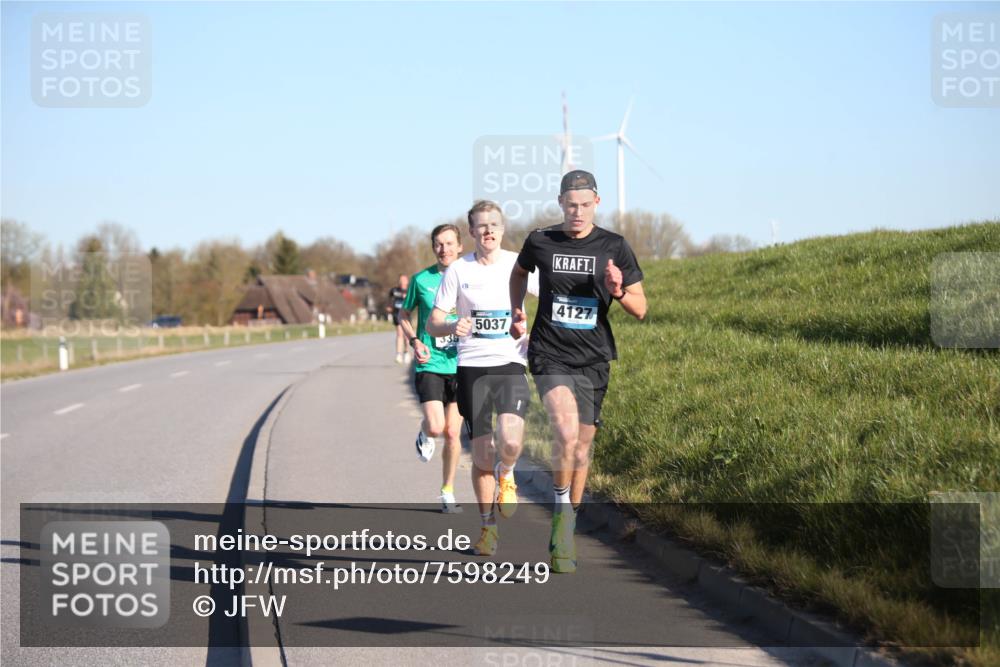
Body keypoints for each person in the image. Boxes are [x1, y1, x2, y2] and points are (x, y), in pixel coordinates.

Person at [509, 170, 647, 573]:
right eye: (571, 205)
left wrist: (618, 289)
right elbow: (518, 273)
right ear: (560, 203)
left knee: (582, 448)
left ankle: (567, 519)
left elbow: (641, 310)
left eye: (585, 205)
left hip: (593, 358)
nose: (578, 212)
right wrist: (517, 310)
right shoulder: (540, 240)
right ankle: (560, 512)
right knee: (566, 434)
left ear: (597, 203)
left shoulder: (614, 247)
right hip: (550, 352)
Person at [428, 200, 537, 556]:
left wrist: (537, 330)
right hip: (471, 368)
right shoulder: (458, 270)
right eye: (481, 225)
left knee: (510, 440)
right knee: (480, 457)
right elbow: (433, 321)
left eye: (494, 224)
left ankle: (508, 473)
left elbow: (550, 297)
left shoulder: (518, 264)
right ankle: (487, 528)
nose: (489, 230)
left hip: (509, 362)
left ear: (502, 229)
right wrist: (450, 324)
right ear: (471, 232)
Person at [397, 224, 465, 513]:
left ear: (460, 246)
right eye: (439, 244)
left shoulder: (471, 278)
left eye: (450, 243)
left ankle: (447, 491)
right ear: (433, 247)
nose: (444, 249)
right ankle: (425, 433)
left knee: (453, 433)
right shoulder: (421, 280)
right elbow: (403, 313)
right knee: (437, 427)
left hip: (462, 364)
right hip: (431, 363)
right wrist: (414, 341)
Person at [388, 274, 410, 364]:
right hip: (397, 314)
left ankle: (407, 352)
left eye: (404, 280)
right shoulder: (394, 290)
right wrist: (389, 307)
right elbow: (390, 300)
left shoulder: (409, 291)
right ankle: (398, 354)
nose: (402, 282)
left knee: (406, 336)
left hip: (407, 314)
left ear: (407, 281)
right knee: (399, 333)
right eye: (401, 280)